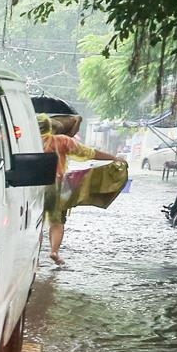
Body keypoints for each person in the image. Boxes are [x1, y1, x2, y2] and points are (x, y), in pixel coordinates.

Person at [38, 111, 117, 266]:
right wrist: (113, 158)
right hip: (56, 186)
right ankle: (54, 251)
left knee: (35, 223)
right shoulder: (61, 141)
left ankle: (34, 260)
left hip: (31, 187)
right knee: (57, 222)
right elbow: (89, 152)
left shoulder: (25, 141)